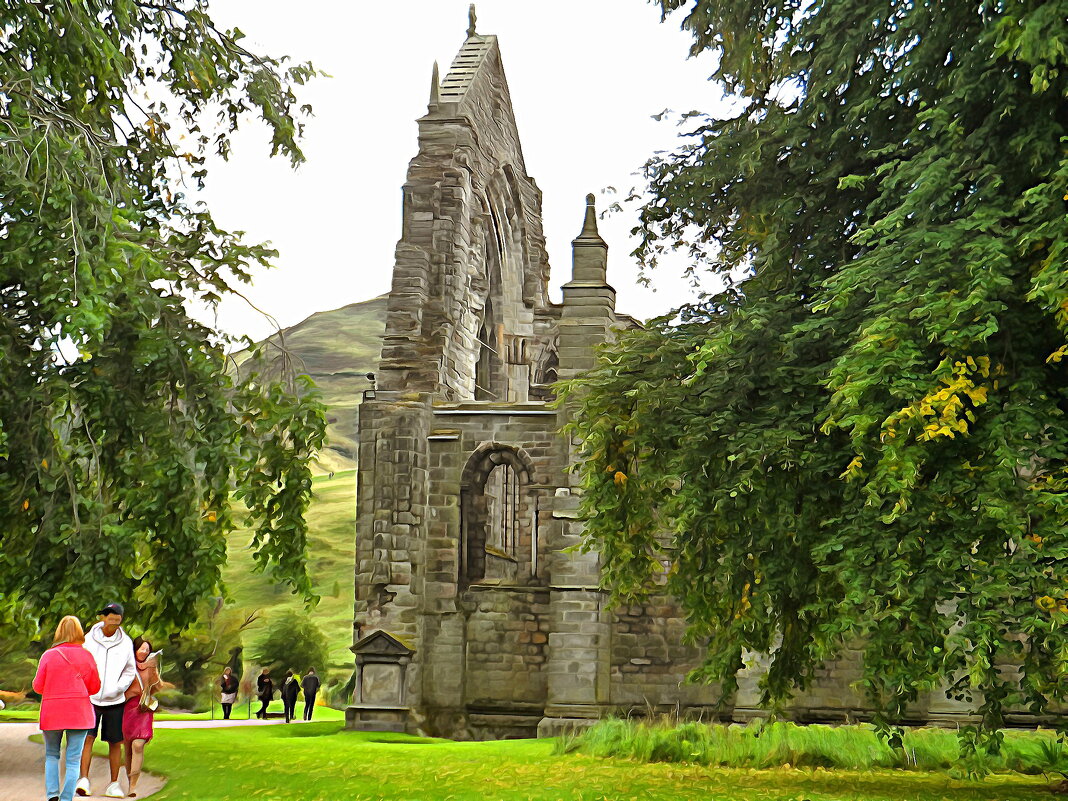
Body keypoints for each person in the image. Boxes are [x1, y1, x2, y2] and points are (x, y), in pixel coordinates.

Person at [33, 616, 101, 801]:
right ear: (79, 632)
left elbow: (38, 686)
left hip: (53, 712)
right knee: (73, 759)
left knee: (52, 755)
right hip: (79, 712)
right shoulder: (86, 656)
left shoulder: (48, 655)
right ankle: (66, 798)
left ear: (59, 632)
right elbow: (95, 687)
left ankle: (52, 795)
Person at [78, 602, 137, 799]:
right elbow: (81, 664)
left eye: (116, 615)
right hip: (91, 698)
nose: (112, 618)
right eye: (108, 614)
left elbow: (130, 669)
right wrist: (87, 685)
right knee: (87, 738)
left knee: (115, 742)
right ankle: (83, 780)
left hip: (116, 700)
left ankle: (114, 784)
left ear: (120, 619)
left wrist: (118, 687)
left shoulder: (126, 642)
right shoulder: (88, 639)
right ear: (102, 617)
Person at [122, 637, 164, 798]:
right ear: (135, 649)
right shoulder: (127, 664)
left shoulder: (150, 666)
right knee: (128, 749)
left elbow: (157, 687)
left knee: (138, 745)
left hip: (143, 710)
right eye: (142, 648)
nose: (145, 652)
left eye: (147, 649)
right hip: (126, 709)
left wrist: (153, 671)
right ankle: (129, 781)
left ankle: (133, 786)